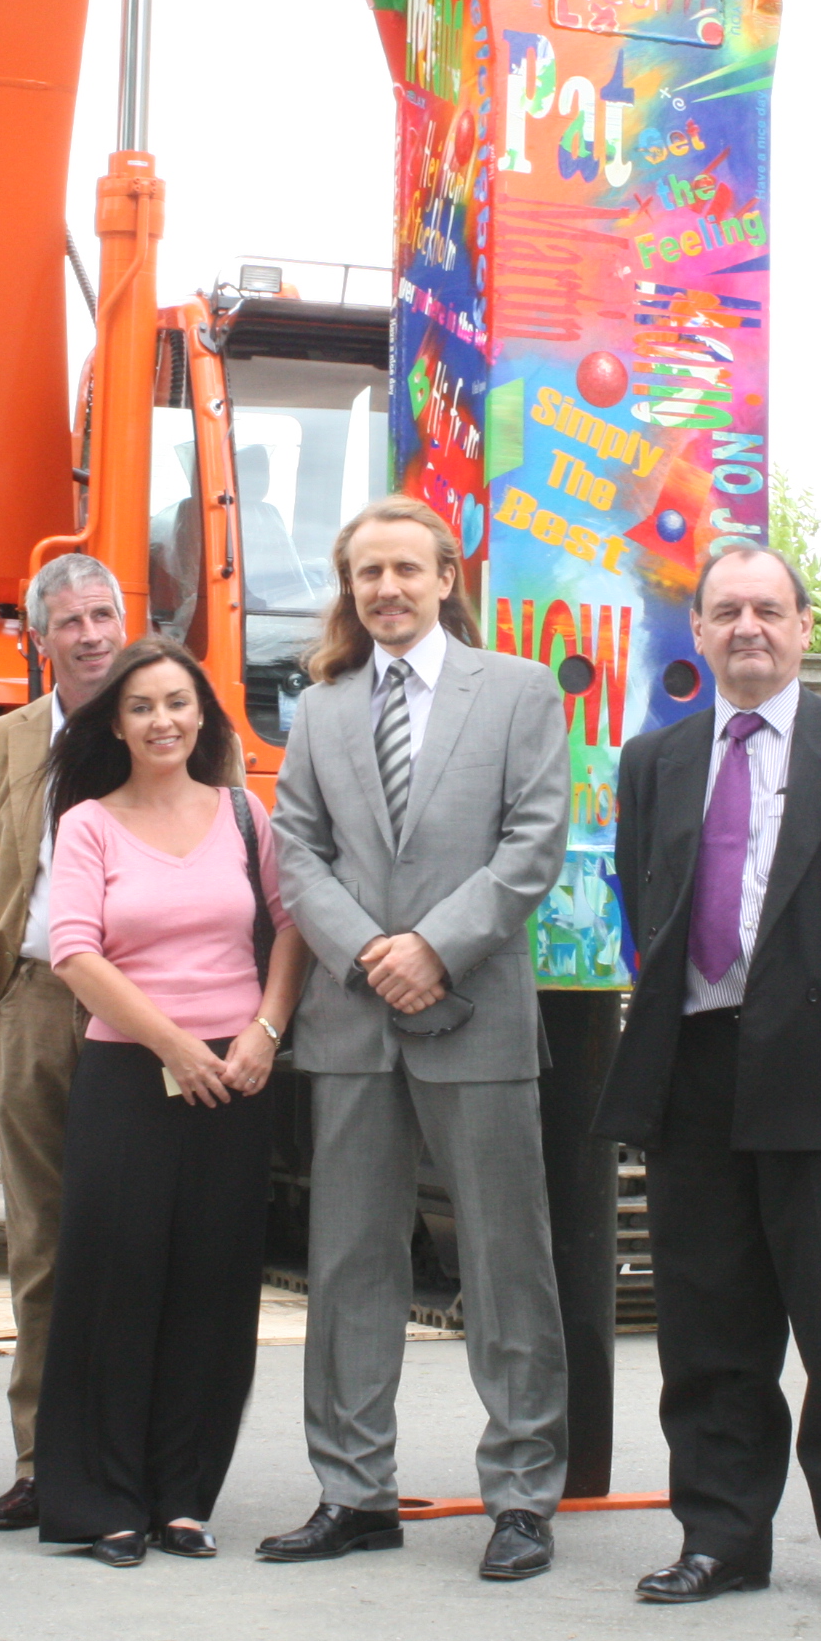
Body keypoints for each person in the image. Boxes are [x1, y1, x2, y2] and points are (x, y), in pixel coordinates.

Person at [597, 539, 821, 1618]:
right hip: (694, 1066)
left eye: (767, 609)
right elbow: (644, 908)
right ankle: (721, 1538)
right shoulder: (654, 761)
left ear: (802, 627)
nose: (747, 627)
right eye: (725, 611)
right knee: (708, 1327)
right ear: (697, 634)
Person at [259, 496, 571, 1584]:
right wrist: (365, 953)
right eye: (365, 574)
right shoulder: (324, 709)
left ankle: (524, 1496)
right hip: (351, 1024)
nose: (385, 589)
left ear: (446, 577)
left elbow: (534, 845)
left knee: (503, 1259)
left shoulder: (521, 694)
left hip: (474, 1013)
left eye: (405, 568)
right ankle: (354, 1491)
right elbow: (295, 852)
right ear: (350, 592)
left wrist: (432, 947)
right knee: (347, 1263)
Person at [34, 638, 305, 1565]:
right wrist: (175, 1044)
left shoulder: (242, 813)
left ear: (204, 716)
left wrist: (263, 1033)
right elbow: (74, 952)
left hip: (238, 1081)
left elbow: (289, 929)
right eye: (143, 706)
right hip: (131, 1077)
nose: (163, 721)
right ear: (116, 721)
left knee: (213, 1289)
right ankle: (103, 1500)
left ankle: (183, 1497)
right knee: (117, 1284)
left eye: (179, 704)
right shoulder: (88, 825)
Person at [0, 553, 133, 1531]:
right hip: (34, 1004)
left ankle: (136, 1461)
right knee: (41, 1245)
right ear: (41, 637)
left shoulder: (174, 725)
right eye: (68, 620)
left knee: (140, 1242)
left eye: (103, 613)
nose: (90, 633)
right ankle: (40, 1457)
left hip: (146, 1017)